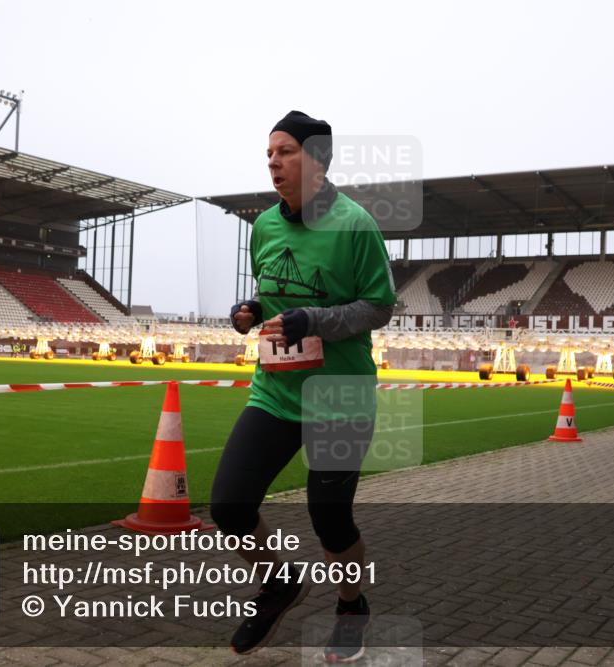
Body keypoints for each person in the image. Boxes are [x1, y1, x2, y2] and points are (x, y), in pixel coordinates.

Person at [214, 111, 397, 661]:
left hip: (339, 395)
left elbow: (379, 306)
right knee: (229, 505)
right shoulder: (265, 227)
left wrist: (314, 320)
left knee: (330, 517)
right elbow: (270, 294)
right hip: (275, 390)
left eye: (286, 150)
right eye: (269, 152)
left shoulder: (356, 224)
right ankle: (280, 583)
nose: (273, 160)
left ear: (316, 160)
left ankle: (351, 606)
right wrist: (249, 312)